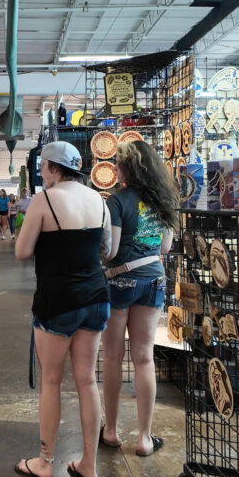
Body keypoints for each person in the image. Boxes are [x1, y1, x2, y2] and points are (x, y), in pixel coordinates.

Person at [14, 141, 111, 477]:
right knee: (87, 380)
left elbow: (22, 251)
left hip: (57, 302)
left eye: (43, 166)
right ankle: (89, 465)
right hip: (96, 297)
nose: (41, 172)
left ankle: (44, 461)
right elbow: (107, 249)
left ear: (55, 168)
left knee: (51, 381)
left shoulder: (45, 200)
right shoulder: (99, 200)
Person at [100, 140, 178, 458]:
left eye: (118, 164)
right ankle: (145, 438)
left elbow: (112, 250)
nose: (115, 168)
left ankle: (111, 430)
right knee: (144, 358)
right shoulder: (162, 201)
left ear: (128, 168)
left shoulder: (117, 202)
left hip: (120, 282)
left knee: (113, 358)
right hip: (153, 280)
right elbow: (165, 248)